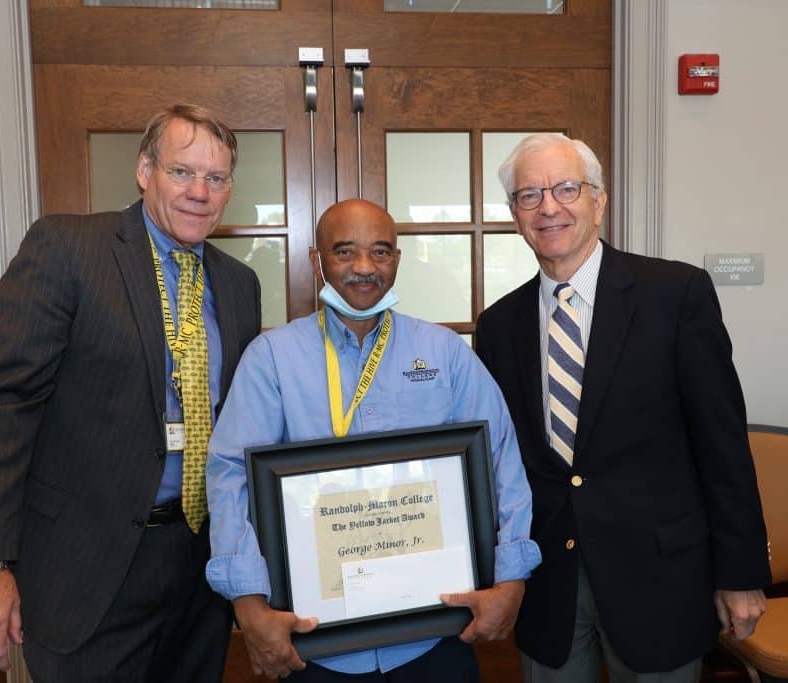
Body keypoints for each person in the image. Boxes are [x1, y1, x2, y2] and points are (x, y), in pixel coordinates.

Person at [0, 104, 261, 682]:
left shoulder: (239, 285)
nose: (200, 192)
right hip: (87, 571)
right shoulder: (69, 248)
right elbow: (3, 405)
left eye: (216, 178)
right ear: (145, 170)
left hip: (198, 568)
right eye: (182, 172)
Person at [475, 133, 771, 683]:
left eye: (566, 188)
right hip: (549, 586)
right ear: (514, 214)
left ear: (599, 200)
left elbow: (722, 444)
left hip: (660, 582)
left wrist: (741, 573)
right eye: (529, 195)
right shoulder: (498, 325)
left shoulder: (676, 294)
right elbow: (498, 461)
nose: (549, 208)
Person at [205, 198, 541, 681]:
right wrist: (248, 601)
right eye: (345, 252)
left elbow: (499, 460)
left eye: (380, 252)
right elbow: (231, 475)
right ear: (317, 260)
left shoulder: (443, 352)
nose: (364, 268)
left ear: (397, 260)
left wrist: (511, 578)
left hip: (431, 639)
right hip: (316, 644)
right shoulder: (272, 359)